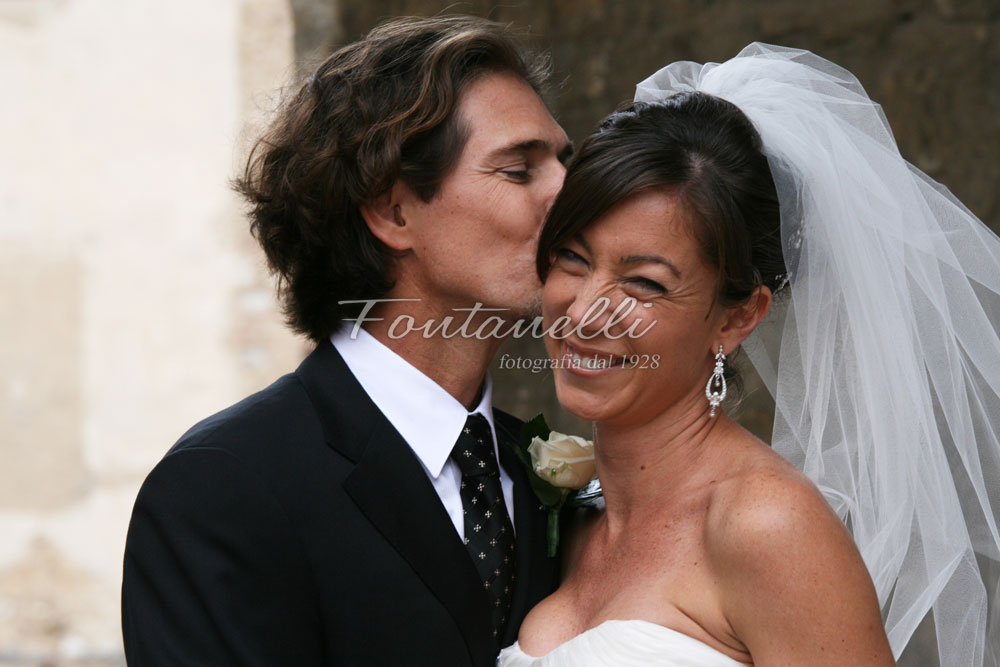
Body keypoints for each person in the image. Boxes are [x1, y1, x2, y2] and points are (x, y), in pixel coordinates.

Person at [499, 44, 1000, 666]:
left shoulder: (767, 526)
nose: (582, 312)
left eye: (645, 283)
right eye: (572, 258)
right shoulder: (567, 516)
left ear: (737, 318)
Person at [121, 16, 571, 666]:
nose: (568, 189)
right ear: (393, 212)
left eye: (565, 160)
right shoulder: (222, 486)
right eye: (520, 168)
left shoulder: (550, 473)